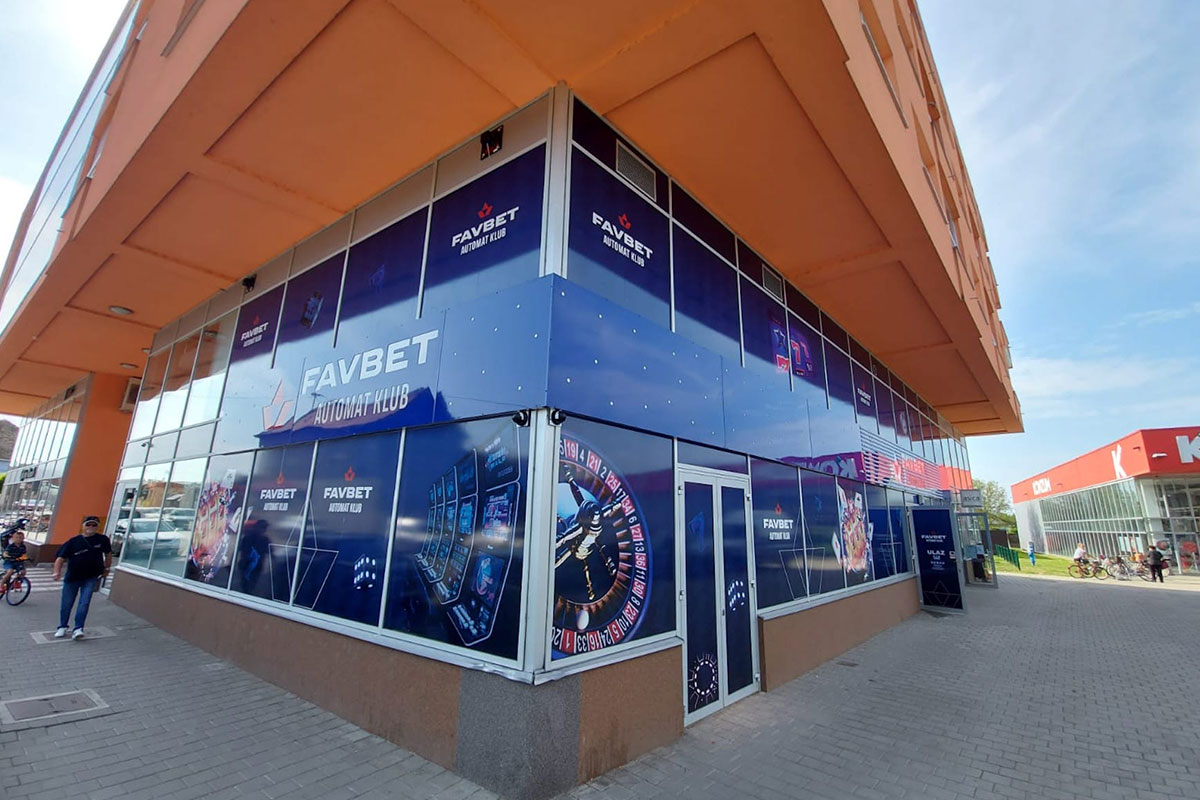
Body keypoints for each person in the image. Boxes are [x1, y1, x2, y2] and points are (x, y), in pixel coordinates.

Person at [52, 515, 112, 639]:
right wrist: (56, 572)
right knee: (66, 603)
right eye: (88, 524)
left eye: (94, 525)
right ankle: (62, 626)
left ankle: (78, 628)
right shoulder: (73, 541)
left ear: (98, 527)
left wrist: (107, 568)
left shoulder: (103, 539)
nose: (91, 527)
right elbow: (60, 558)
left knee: (84, 603)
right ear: (83, 526)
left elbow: (108, 554)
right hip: (72, 578)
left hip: (91, 577)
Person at [0, 529, 27, 594]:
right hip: (10, 561)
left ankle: (16, 582)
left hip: (18, 561)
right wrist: (6, 556)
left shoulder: (23, 546)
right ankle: (1, 585)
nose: (18, 539)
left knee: (23, 572)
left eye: (20, 538)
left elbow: (24, 554)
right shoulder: (11, 546)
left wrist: (24, 558)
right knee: (10, 572)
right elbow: (6, 552)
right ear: (13, 539)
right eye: (16, 538)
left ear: (23, 539)